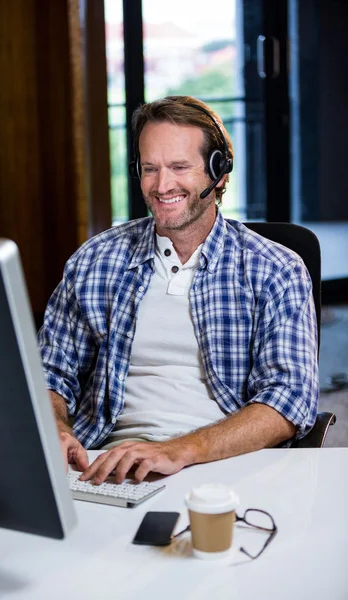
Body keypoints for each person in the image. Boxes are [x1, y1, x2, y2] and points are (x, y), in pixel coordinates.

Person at [37, 95, 319, 484]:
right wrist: (56, 425)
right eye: (149, 168)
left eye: (179, 167)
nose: (161, 185)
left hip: (221, 464)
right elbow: (50, 372)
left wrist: (177, 450)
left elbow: (288, 400)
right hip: (102, 462)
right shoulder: (95, 260)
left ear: (219, 172)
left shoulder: (275, 269)